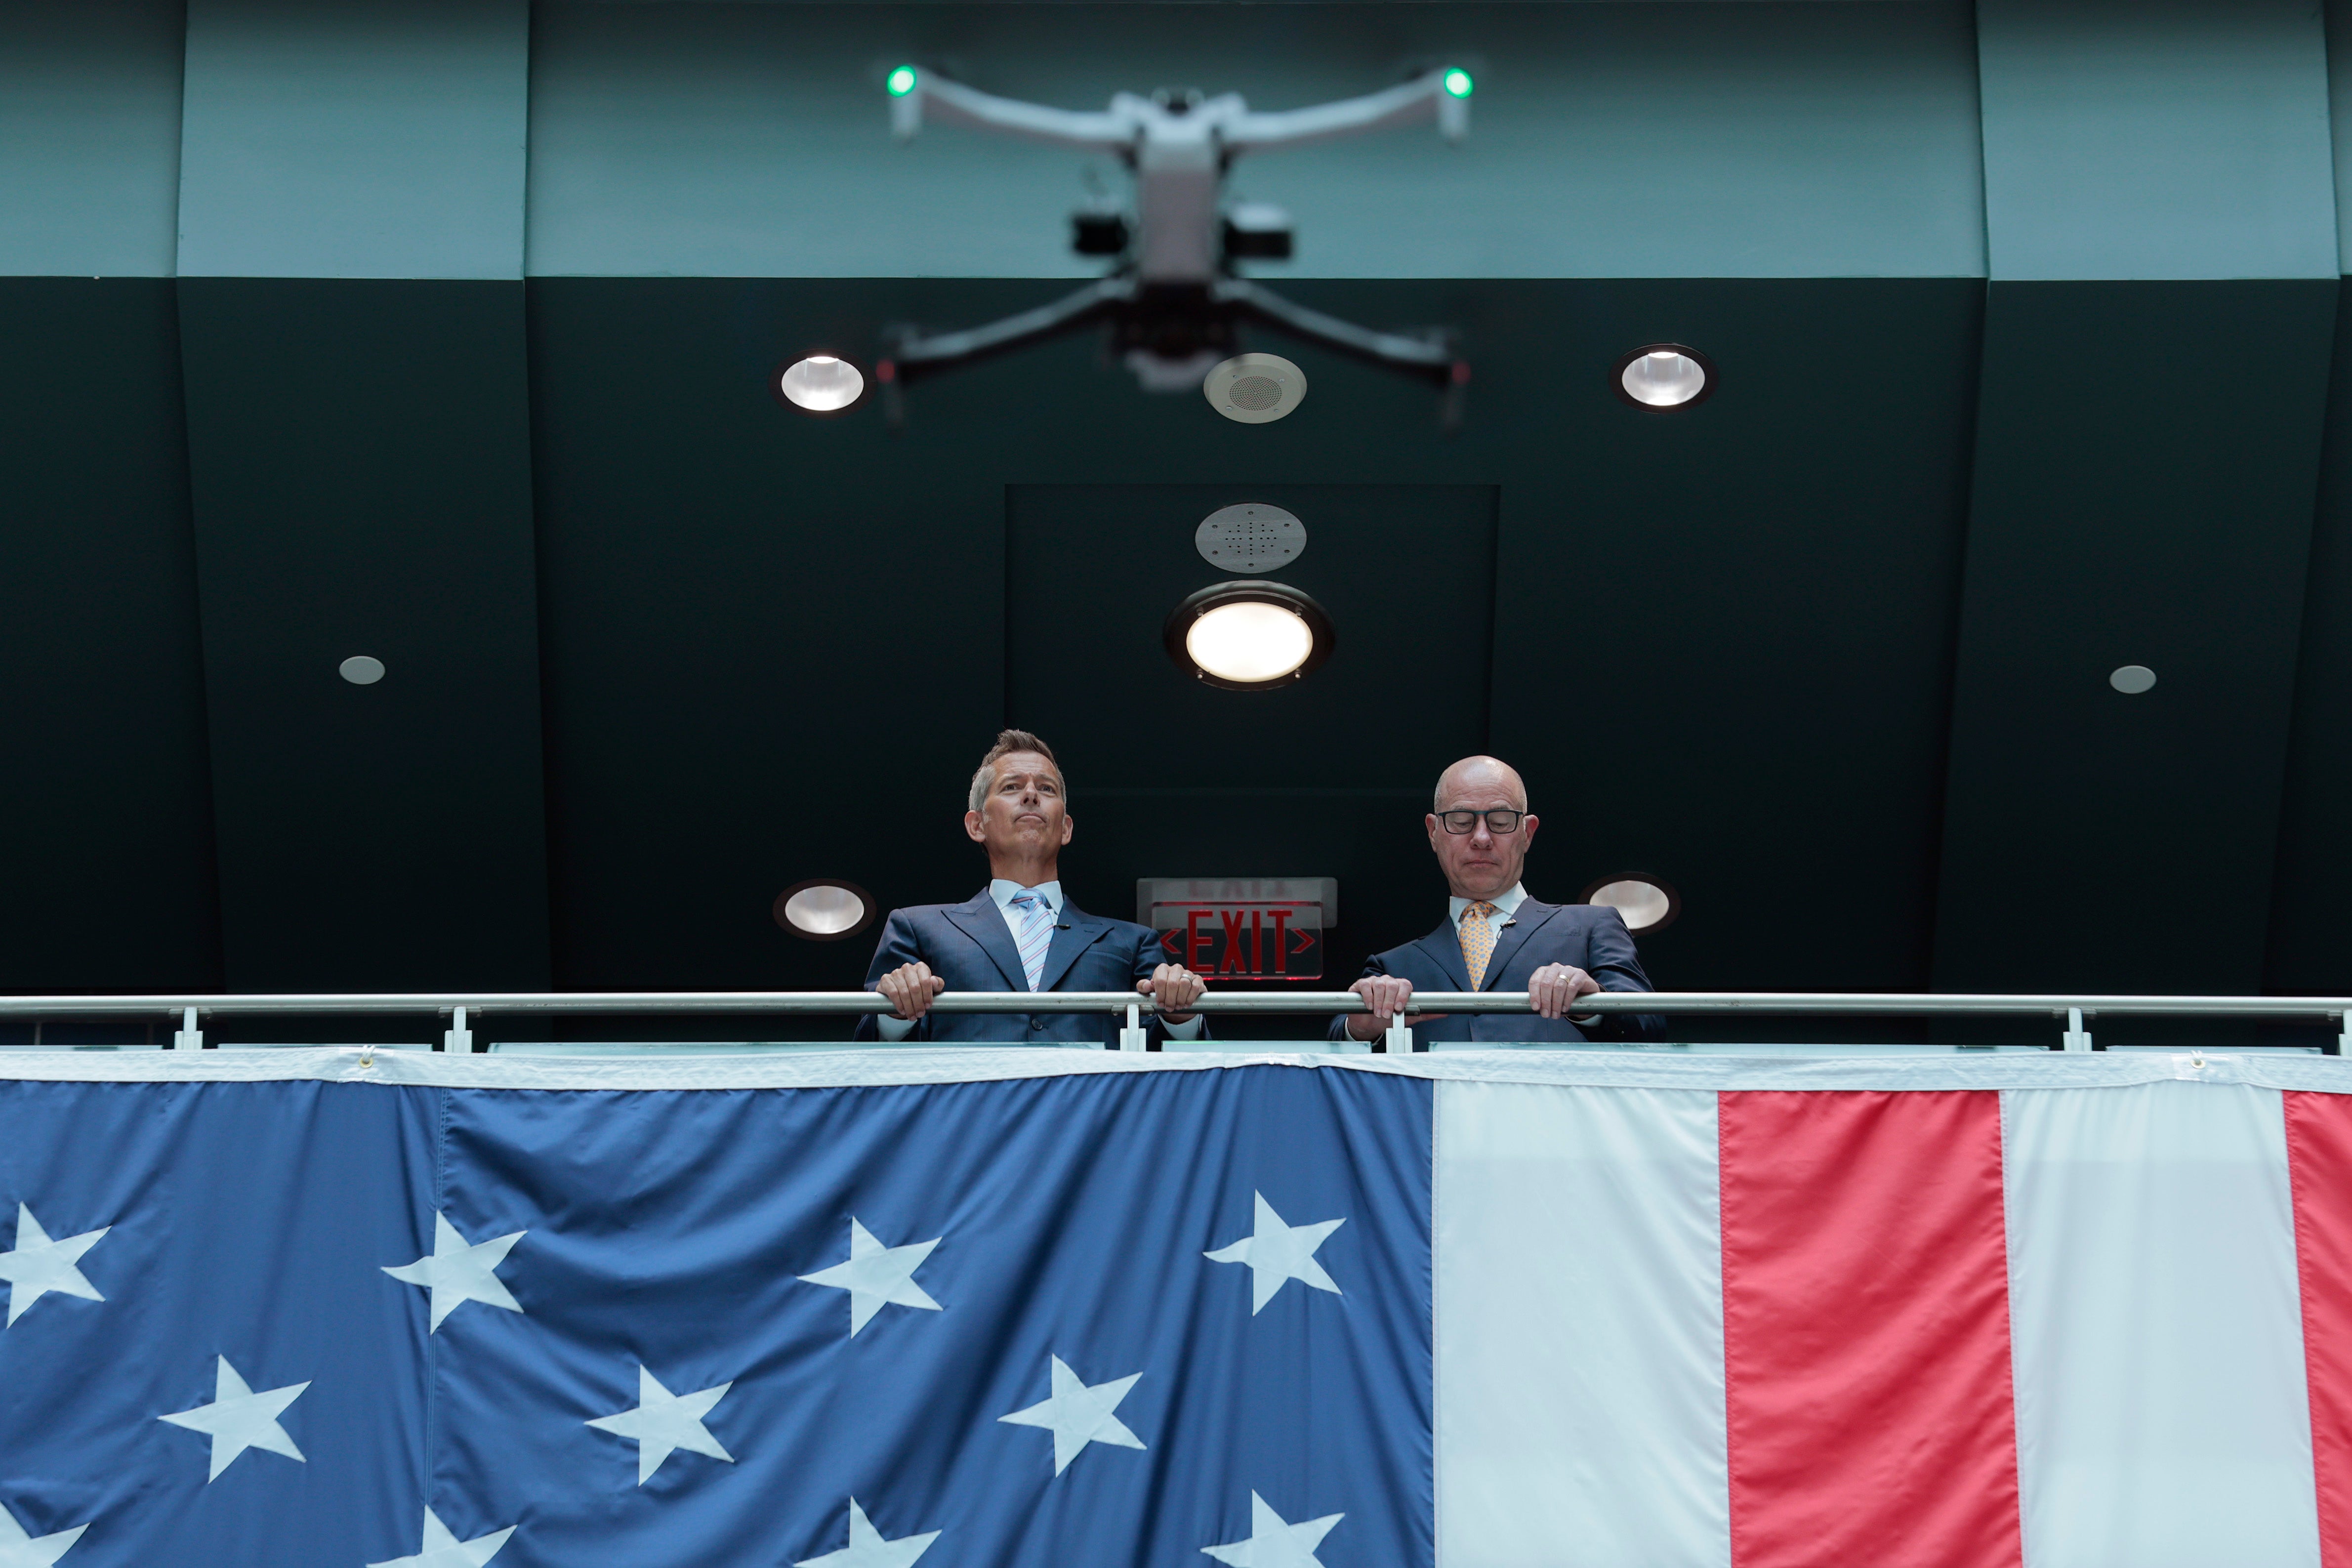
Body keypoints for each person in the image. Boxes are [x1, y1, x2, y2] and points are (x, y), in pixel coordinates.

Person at [860, 730, 1208, 1045]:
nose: (1030, 795)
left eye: (1046, 789)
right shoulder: (917, 928)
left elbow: (1169, 1066)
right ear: (977, 824)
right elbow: (869, 1053)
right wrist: (895, 1011)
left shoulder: (1132, 942)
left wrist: (1181, 1013)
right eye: (1012, 787)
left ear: (1066, 828)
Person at [1331, 755, 1667, 1048]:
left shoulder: (1591, 925)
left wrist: (1591, 1005)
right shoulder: (1393, 968)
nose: (1480, 838)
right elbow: (1335, 1050)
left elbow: (1649, 1026)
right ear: (1433, 832)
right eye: (1461, 821)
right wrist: (1360, 1028)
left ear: (1527, 833)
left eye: (1500, 822)